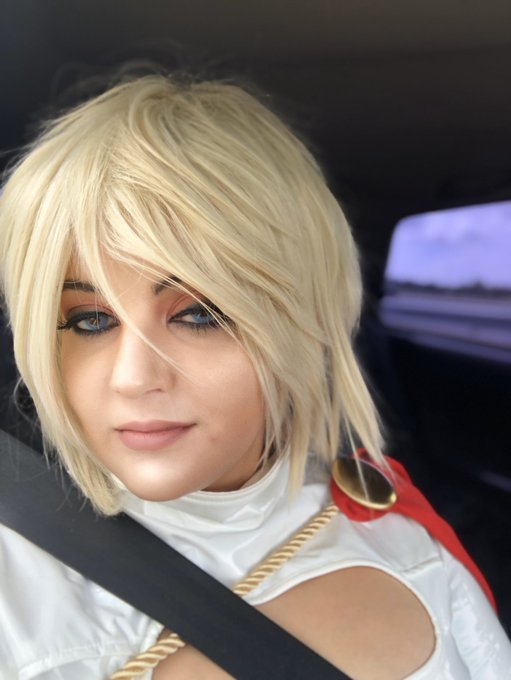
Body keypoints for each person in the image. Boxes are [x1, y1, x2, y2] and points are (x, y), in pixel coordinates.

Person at [0, 73, 510, 680]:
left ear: (303, 321)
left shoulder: (405, 541)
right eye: (89, 321)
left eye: (199, 314)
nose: (133, 378)